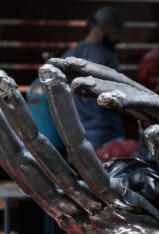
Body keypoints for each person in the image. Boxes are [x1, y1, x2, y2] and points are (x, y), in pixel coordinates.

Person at [62, 5, 126, 149]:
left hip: (77, 138)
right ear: (102, 28)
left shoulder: (68, 56)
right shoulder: (108, 58)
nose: (119, 39)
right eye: (116, 33)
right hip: (108, 135)